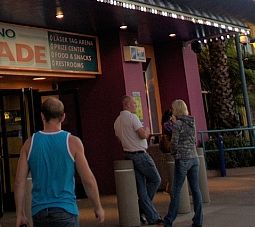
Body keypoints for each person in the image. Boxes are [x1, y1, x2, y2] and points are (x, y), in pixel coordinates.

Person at [15, 95, 104, 226]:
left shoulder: (29, 144)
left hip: (39, 210)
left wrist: (20, 214)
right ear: (63, 117)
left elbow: (19, 182)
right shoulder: (72, 142)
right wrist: (98, 206)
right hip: (66, 208)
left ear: (42, 116)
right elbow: (88, 179)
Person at [114, 95, 162, 226]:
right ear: (127, 104)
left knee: (141, 188)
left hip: (128, 155)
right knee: (155, 179)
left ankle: (147, 213)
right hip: (140, 154)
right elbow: (142, 135)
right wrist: (146, 131)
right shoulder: (132, 118)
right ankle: (145, 210)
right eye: (134, 103)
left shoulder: (117, 121)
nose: (136, 105)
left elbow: (119, 139)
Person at [162, 100, 203, 227]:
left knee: (176, 190)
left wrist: (174, 154)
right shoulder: (192, 122)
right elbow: (194, 140)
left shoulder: (178, 124)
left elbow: (174, 143)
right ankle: (198, 220)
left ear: (176, 110)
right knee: (196, 190)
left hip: (182, 158)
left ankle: (169, 220)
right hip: (194, 157)